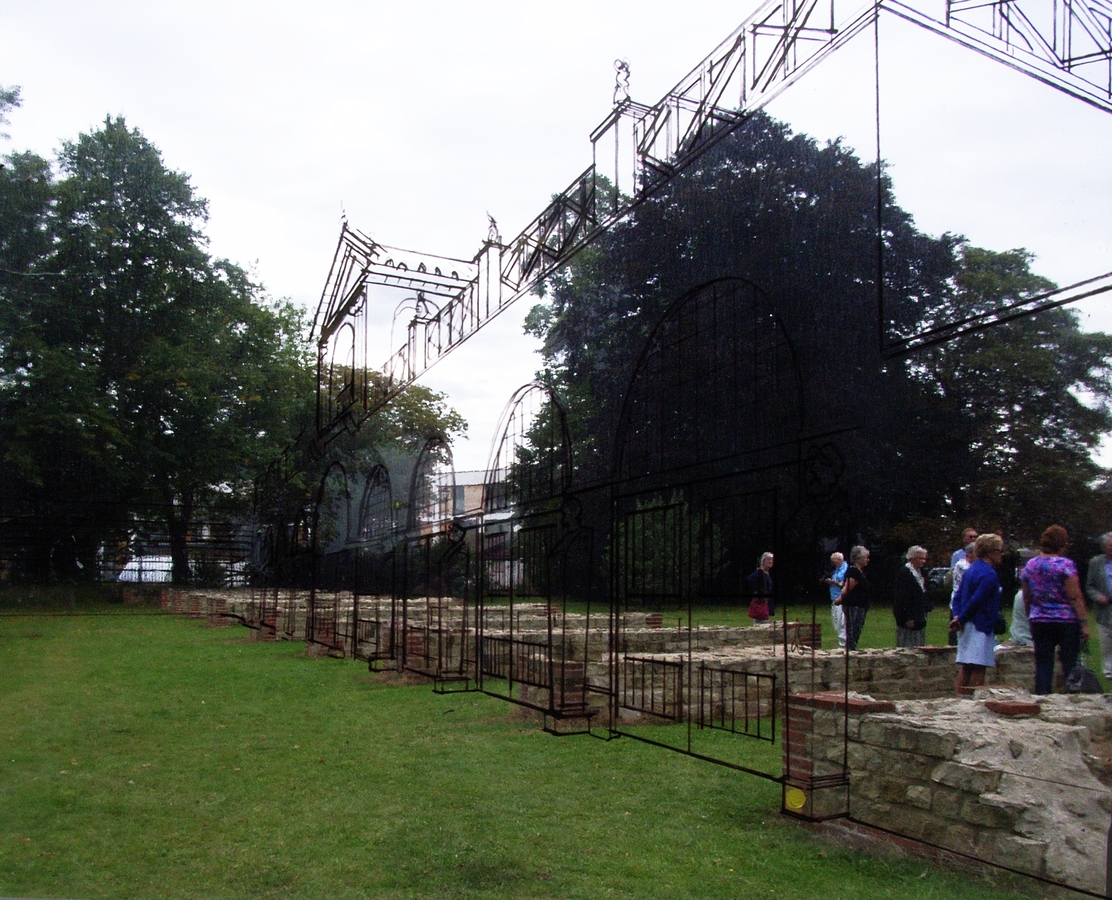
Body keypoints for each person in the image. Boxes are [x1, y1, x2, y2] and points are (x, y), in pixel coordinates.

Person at [1022, 524, 1090, 694]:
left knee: (1043, 662)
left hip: (1040, 618)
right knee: (1069, 662)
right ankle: (1071, 697)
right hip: (1065, 619)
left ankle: (1042, 695)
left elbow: (1026, 595)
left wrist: (1030, 614)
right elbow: (1074, 595)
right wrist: (1083, 622)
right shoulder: (1065, 565)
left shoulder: (1031, 565)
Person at [951, 533, 1004, 694]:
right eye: (999, 551)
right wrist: (961, 618)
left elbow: (958, 597)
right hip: (980, 624)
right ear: (990, 552)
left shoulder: (971, 570)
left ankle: (960, 698)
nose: (1001, 555)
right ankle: (974, 700)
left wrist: (958, 615)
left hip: (967, 624)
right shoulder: (989, 574)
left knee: (966, 666)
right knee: (978, 666)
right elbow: (977, 600)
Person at [1084, 532, 1112, 679]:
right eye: (1109, 546)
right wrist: (1098, 597)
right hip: (1104, 607)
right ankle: (1108, 672)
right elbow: (1089, 586)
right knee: (1106, 639)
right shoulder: (1096, 563)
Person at [834, 545, 871, 650]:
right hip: (853, 605)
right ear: (858, 558)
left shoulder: (861, 572)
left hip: (861, 605)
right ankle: (850, 650)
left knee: (857, 629)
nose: (867, 560)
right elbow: (848, 587)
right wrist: (840, 599)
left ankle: (852, 648)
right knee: (852, 629)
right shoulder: (853, 571)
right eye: (865, 557)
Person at [893, 545, 930, 647]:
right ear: (913, 558)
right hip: (909, 617)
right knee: (908, 644)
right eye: (920, 558)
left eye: (924, 559)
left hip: (919, 615)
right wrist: (907, 618)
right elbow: (902, 597)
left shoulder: (919, 573)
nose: (923, 561)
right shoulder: (905, 573)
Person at [822, 551, 848, 647]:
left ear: (840, 560)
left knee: (842, 622)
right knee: (836, 622)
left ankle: (843, 644)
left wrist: (833, 582)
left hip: (842, 599)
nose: (832, 563)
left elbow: (844, 585)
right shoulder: (837, 569)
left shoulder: (846, 569)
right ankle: (842, 642)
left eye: (834, 561)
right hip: (834, 598)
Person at [745, 552, 774, 623]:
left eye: (772, 560)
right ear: (763, 561)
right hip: (761, 603)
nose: (771, 561)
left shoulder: (767, 573)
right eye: (769, 559)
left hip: (766, 603)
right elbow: (749, 580)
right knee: (761, 623)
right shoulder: (760, 572)